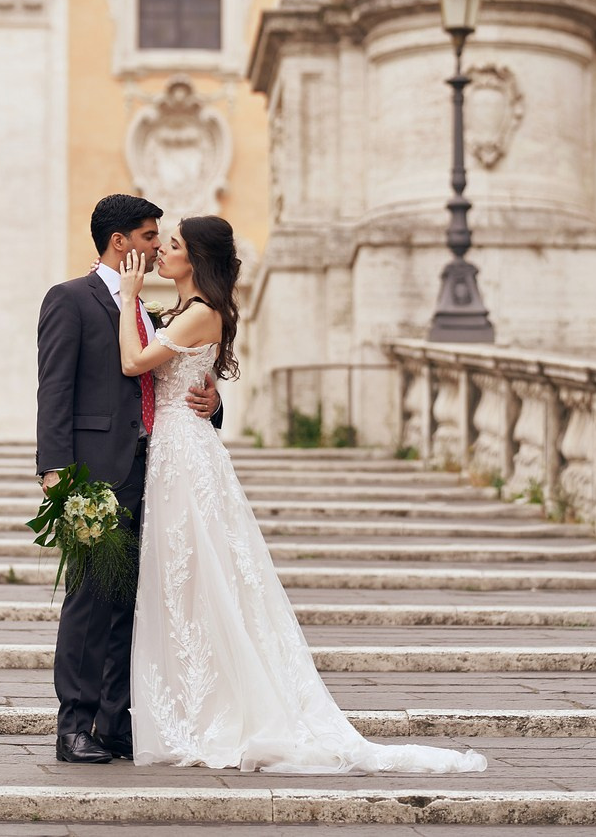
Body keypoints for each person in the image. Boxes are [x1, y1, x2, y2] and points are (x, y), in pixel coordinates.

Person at [119, 215, 486, 775]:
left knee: (199, 575)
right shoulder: (188, 314)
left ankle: (215, 710)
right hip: (178, 448)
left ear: (194, 257)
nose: (160, 254)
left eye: (170, 246)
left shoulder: (198, 314)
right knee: (187, 577)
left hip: (185, 455)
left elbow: (132, 363)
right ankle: (198, 701)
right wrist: (209, 393)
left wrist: (126, 297)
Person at [35, 193, 223, 765]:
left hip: (158, 471)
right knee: (89, 600)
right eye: (149, 237)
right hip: (96, 472)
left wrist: (212, 403)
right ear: (121, 242)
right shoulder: (71, 299)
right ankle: (74, 726)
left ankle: (115, 723)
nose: (156, 247)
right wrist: (54, 472)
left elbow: (179, 385)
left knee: (130, 603)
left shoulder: (150, 310)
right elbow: (55, 389)